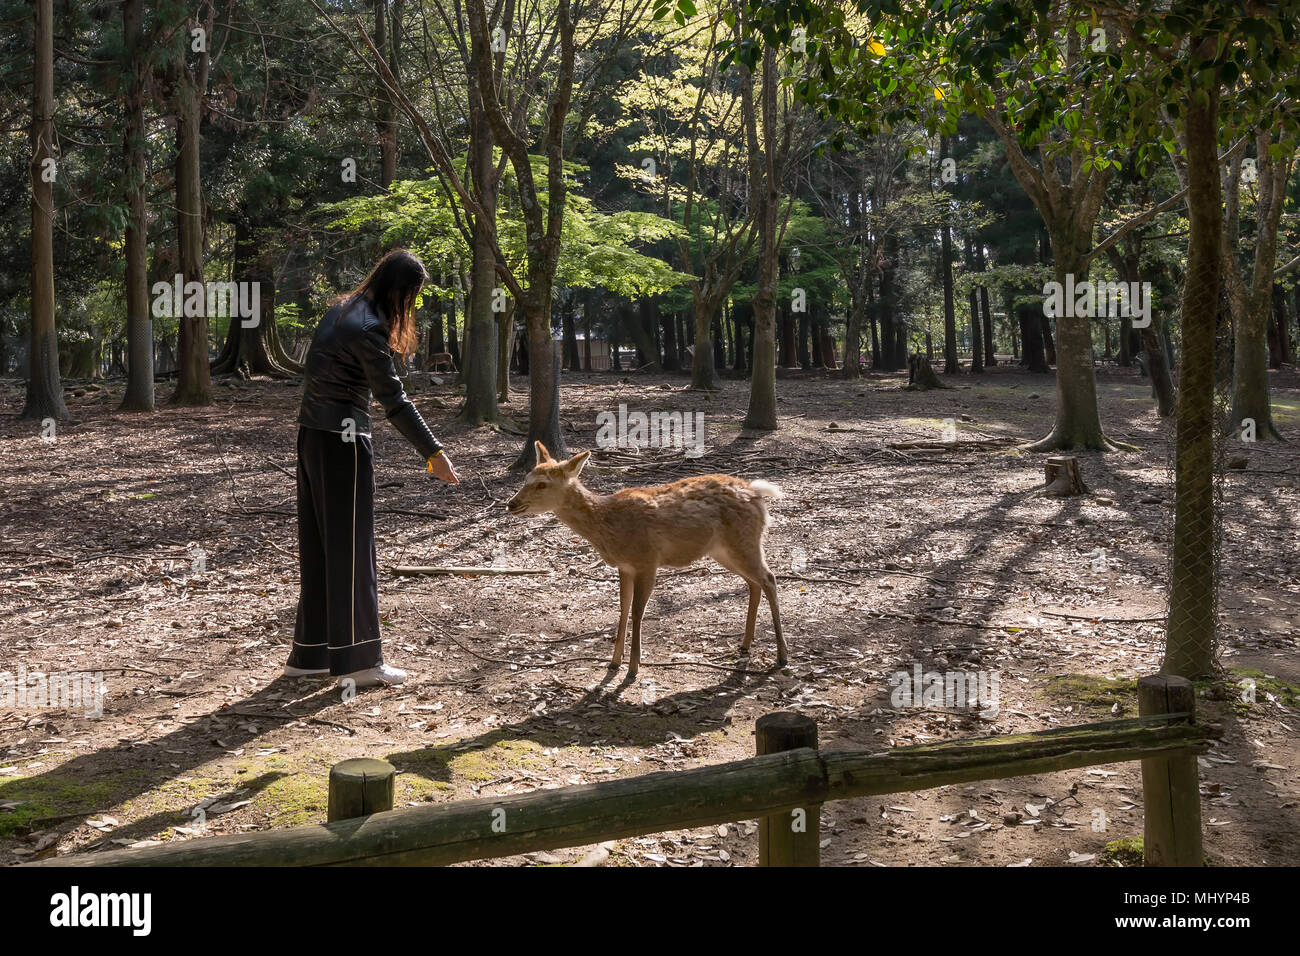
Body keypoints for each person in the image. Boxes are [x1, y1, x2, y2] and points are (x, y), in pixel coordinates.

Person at [285, 249, 459, 688]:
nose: (410, 307)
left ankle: (312, 655)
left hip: (311, 436)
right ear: (400, 291)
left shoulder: (340, 310)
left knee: (322, 548)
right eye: (412, 297)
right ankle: (360, 662)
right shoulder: (368, 328)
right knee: (353, 551)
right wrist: (433, 453)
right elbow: (394, 400)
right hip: (343, 443)